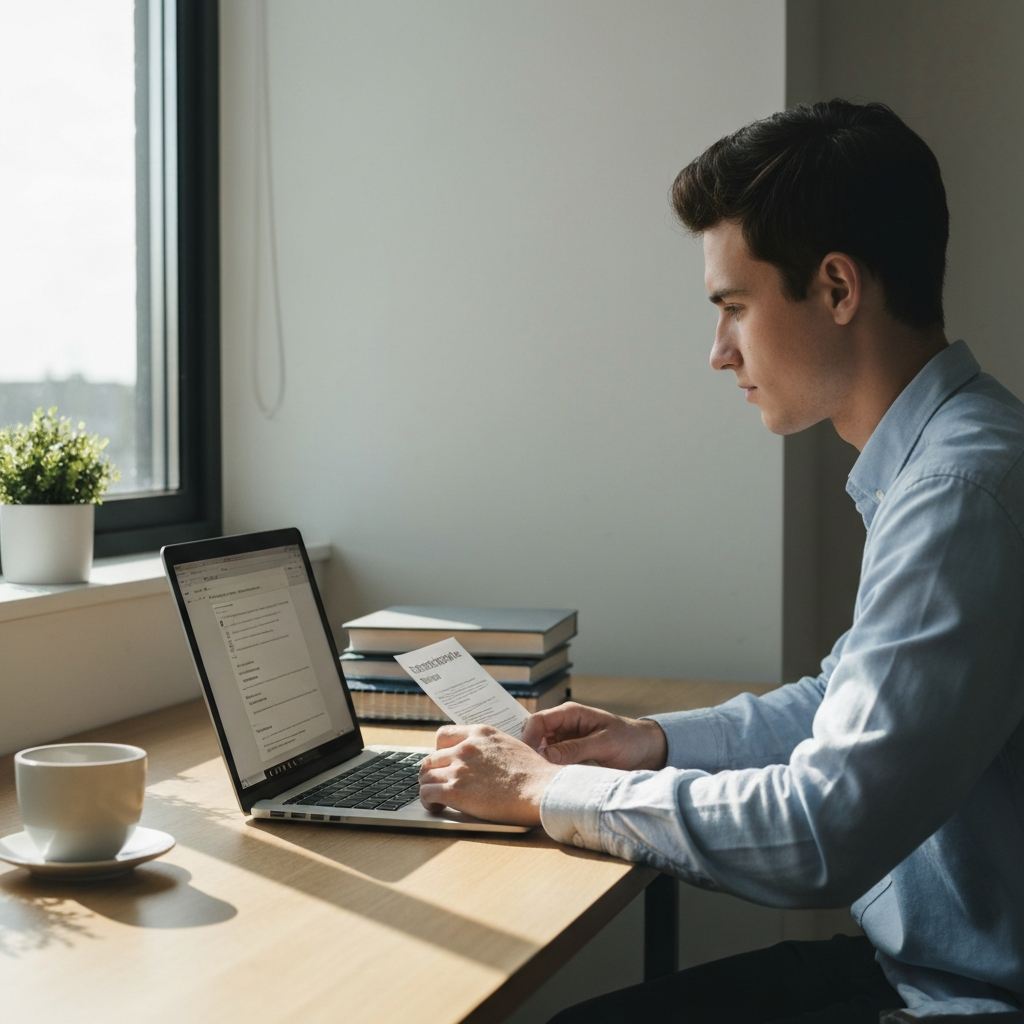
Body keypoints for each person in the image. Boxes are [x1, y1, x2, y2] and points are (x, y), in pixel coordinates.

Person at [416, 100, 1024, 1023]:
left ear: (836, 288)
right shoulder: (953, 460)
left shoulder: (957, 493)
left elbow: (828, 827)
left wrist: (554, 791)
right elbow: (850, 702)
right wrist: (651, 743)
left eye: (734, 307)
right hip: (929, 969)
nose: (717, 352)